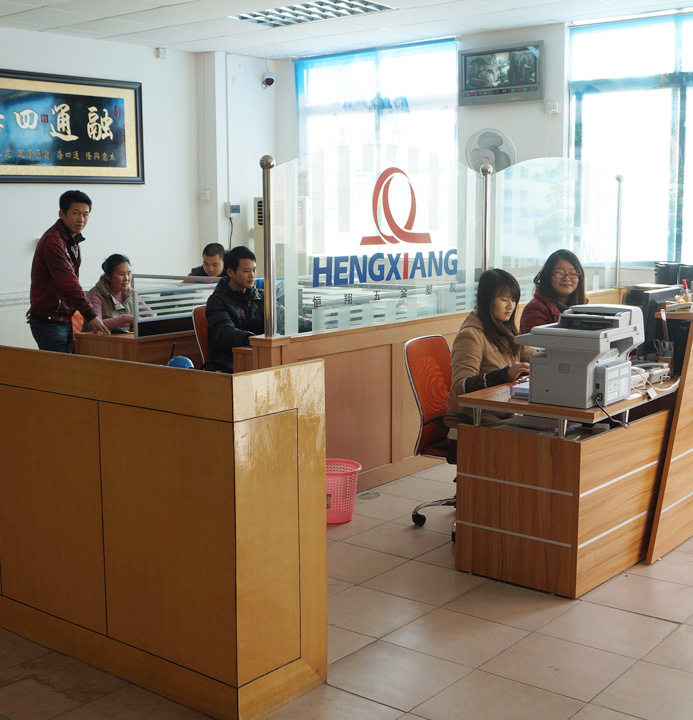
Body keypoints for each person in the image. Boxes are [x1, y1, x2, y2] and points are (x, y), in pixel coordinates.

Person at [447, 268, 535, 423]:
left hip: (503, 414)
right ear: (487, 300)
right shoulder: (471, 336)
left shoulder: (506, 331)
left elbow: (532, 355)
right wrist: (504, 375)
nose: (511, 306)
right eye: (504, 299)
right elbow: (461, 387)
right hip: (476, 420)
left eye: (514, 300)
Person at [28, 189, 109, 352]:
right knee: (57, 366)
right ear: (62, 214)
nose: (81, 219)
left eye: (85, 214)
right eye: (76, 213)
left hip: (61, 317)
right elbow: (69, 282)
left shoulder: (71, 239)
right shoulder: (53, 241)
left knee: (65, 365)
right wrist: (90, 315)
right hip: (50, 320)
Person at [206, 246, 263, 373]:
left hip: (258, 356)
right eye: (246, 271)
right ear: (230, 272)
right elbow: (225, 332)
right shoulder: (217, 301)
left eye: (254, 270)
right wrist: (253, 339)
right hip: (230, 363)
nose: (252, 276)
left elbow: (281, 317)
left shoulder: (259, 297)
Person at [519, 249, 587, 333]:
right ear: (548, 276)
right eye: (560, 273)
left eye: (572, 273)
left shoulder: (583, 308)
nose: (566, 278)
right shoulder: (535, 309)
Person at [86, 254, 139, 331]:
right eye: (121, 274)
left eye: (129, 274)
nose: (126, 278)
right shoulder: (95, 295)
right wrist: (126, 318)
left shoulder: (131, 293)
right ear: (108, 276)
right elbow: (95, 325)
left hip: (126, 338)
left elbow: (150, 315)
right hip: (99, 338)